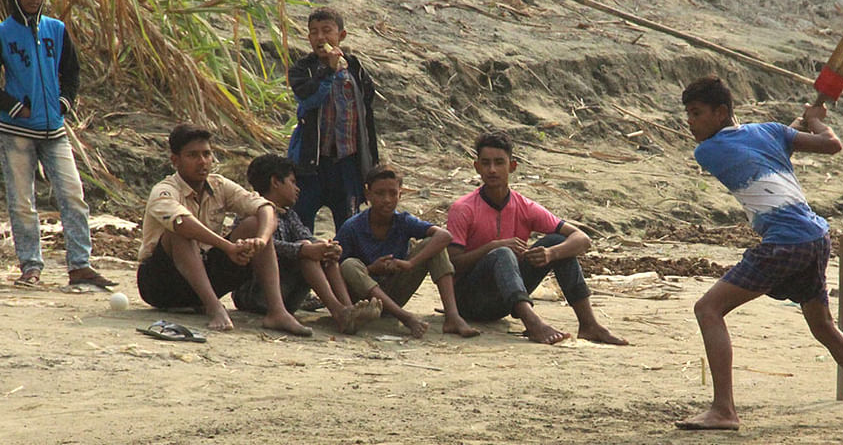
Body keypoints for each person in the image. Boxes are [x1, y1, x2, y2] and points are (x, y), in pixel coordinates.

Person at [677, 75, 843, 430]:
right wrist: (815, 120)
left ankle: (723, 410)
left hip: (785, 241)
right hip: (815, 236)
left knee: (708, 308)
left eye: (697, 113)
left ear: (720, 113)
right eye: (688, 114)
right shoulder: (770, 131)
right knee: (823, 325)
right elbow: (829, 144)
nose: (690, 122)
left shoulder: (709, 150)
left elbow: (764, 145)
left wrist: (807, 118)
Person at [0, 0, 114, 290]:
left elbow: (72, 74)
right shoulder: (1, 34)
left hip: (55, 132)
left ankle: (80, 265)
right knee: (23, 202)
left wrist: (64, 104)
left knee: (73, 195)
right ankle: (31, 267)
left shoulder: (57, 29)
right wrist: (15, 107)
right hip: (16, 134)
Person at [445, 131, 627, 346]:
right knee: (502, 253)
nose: (492, 170)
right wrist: (492, 247)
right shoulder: (463, 208)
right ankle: (533, 323)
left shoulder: (524, 206)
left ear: (512, 166)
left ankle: (588, 324)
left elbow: (582, 239)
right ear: (477, 167)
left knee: (557, 241)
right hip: (470, 301)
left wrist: (551, 253)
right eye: (486, 163)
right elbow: (453, 264)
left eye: (499, 163)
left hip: (506, 299)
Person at [136, 124, 312, 336]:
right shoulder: (164, 191)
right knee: (179, 232)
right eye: (193, 155)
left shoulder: (219, 185)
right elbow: (183, 223)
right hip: (162, 283)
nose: (202, 162)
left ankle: (277, 312)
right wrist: (227, 246)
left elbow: (264, 207)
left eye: (207, 154)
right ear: (176, 160)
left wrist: (262, 240)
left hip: (204, 274)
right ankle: (215, 308)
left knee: (254, 224)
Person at [231, 154, 381, 334]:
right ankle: (339, 312)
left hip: (287, 292)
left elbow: (307, 237)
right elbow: (267, 246)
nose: (297, 188)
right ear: (275, 182)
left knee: (319, 251)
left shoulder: (289, 214)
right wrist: (305, 249)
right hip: (254, 293)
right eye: (292, 182)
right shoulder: (251, 213)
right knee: (306, 252)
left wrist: (326, 247)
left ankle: (347, 309)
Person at [335, 165, 479, 339]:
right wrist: (372, 269)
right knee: (349, 264)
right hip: (362, 297)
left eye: (392, 194)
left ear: (400, 194)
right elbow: (335, 269)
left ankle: (453, 316)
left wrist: (411, 262)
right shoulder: (352, 227)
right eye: (380, 194)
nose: (387, 200)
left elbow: (445, 236)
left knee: (432, 244)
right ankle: (406, 318)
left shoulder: (403, 220)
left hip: (395, 290)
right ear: (368, 195)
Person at [286, 6, 378, 233]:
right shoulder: (302, 69)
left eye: (327, 31)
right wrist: (327, 70)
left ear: (341, 36)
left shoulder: (355, 69)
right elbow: (309, 99)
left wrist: (371, 163)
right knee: (301, 225)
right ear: (308, 37)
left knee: (349, 226)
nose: (320, 38)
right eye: (314, 32)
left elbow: (366, 117)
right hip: (311, 164)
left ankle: (345, 266)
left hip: (347, 162)